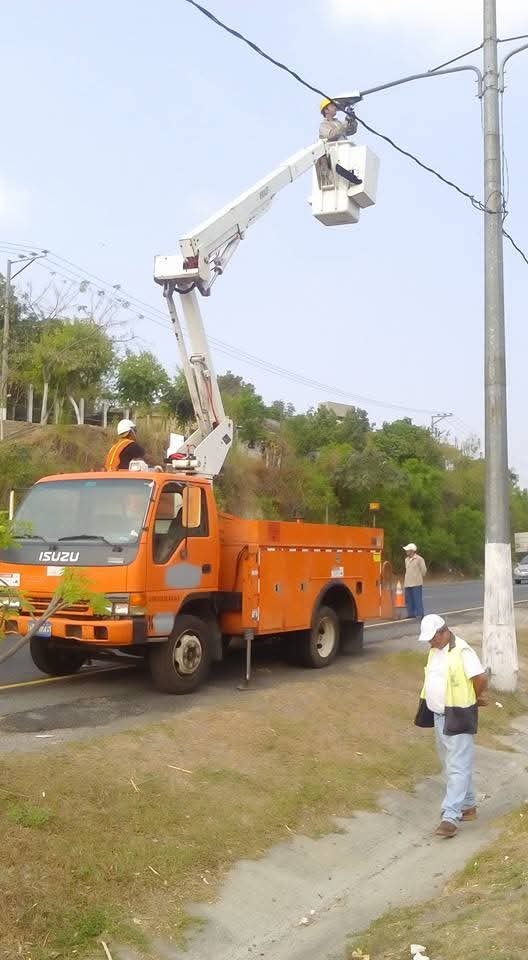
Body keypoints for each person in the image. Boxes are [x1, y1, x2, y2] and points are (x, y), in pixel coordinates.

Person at [415, 614, 488, 838]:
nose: (430, 642)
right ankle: (468, 805)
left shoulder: (462, 650)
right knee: (451, 763)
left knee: (457, 765)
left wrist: (474, 698)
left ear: (443, 632)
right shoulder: (435, 651)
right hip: (439, 715)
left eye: (432, 638)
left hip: (458, 714)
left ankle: (451, 816)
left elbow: (481, 678)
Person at [318, 98, 362, 186]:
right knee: (338, 168)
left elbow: (351, 131)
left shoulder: (337, 122)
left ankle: (351, 177)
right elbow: (331, 135)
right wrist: (346, 122)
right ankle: (347, 175)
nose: (335, 107)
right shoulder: (324, 125)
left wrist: (351, 120)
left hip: (342, 154)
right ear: (326, 110)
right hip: (333, 157)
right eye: (332, 105)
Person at [403, 543, 427, 618]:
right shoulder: (406, 559)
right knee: (409, 600)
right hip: (407, 582)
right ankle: (411, 614)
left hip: (416, 583)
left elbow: (424, 570)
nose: (406, 551)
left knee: (417, 599)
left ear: (412, 551)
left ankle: (420, 614)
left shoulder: (419, 559)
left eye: (407, 550)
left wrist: (419, 577)